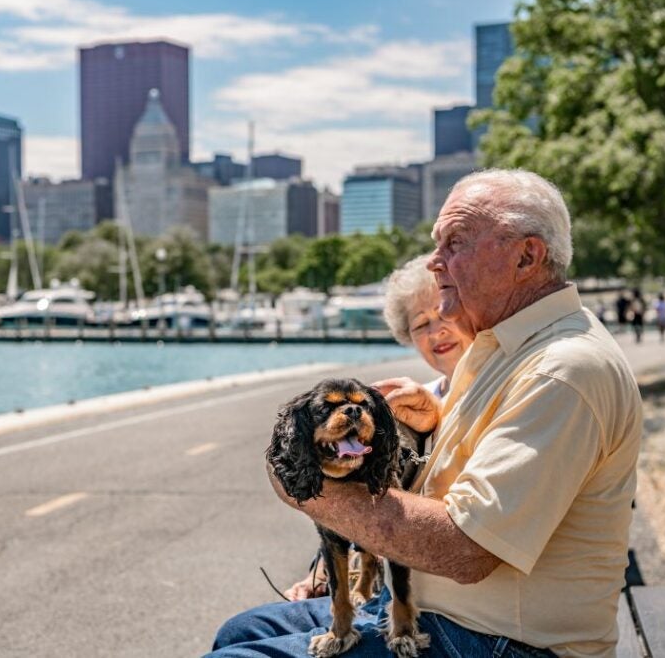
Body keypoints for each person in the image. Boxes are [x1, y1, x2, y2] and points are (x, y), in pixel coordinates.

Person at [208, 169, 641, 658]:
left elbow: (466, 548)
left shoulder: (561, 370)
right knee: (240, 631)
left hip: (503, 641)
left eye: (454, 243)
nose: (435, 264)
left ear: (527, 256)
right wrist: (433, 417)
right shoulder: (507, 348)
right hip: (438, 609)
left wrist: (308, 486)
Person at [282, 255, 473, 601]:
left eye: (444, 313)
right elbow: (354, 494)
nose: (436, 331)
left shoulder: (493, 394)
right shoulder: (407, 402)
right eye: (420, 324)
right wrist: (321, 573)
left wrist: (440, 414)